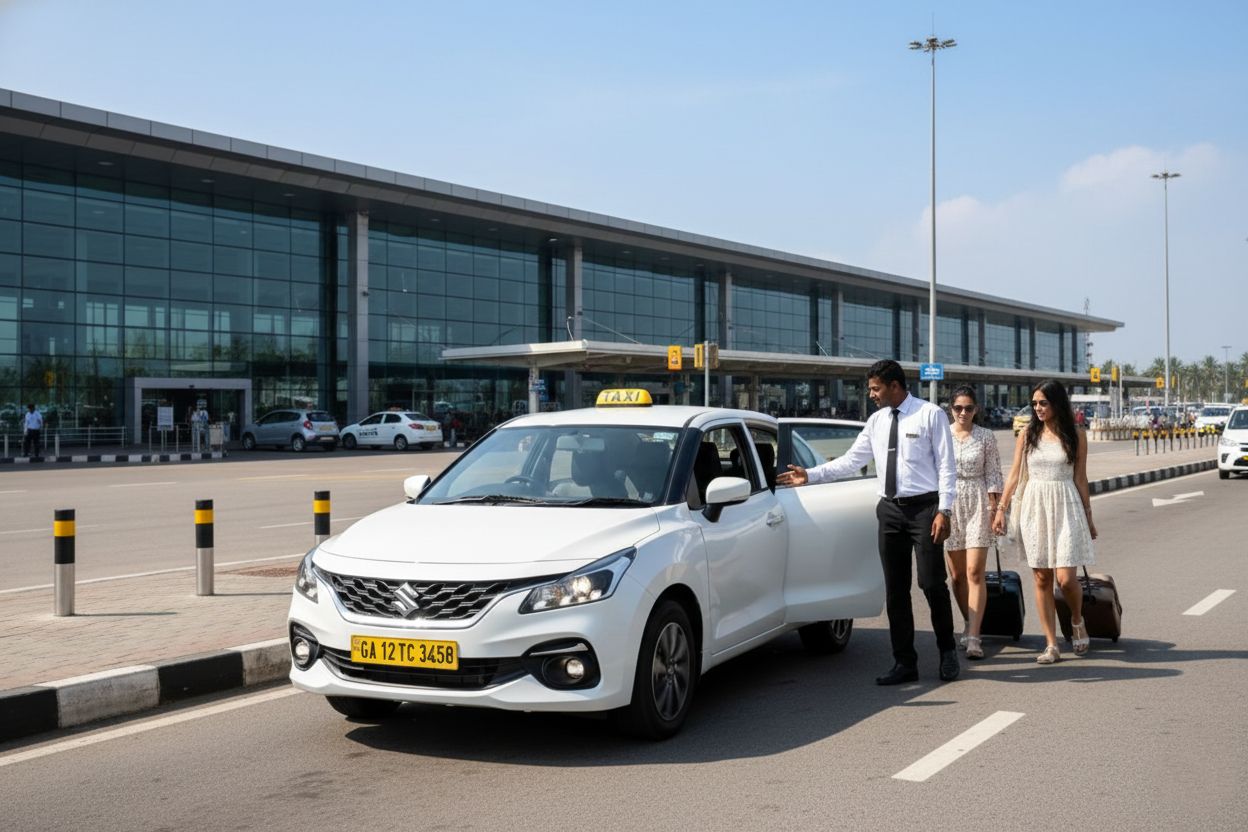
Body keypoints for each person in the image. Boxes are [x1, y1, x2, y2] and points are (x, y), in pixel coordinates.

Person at [778, 360, 960, 684]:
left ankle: (947, 652)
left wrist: (944, 510)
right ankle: (905, 662)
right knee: (896, 591)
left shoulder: (929, 415)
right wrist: (811, 475)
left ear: (893, 385)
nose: (871, 394)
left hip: (925, 510)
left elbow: (947, 467)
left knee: (931, 584)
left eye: (875, 388)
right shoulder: (876, 422)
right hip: (890, 510)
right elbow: (851, 461)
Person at [992, 380, 1098, 664]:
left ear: (1057, 404)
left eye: (1043, 403)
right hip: (1034, 507)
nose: (1037, 408)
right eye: (1034, 403)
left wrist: (1089, 517)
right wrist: (1001, 509)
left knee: (1065, 579)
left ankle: (1077, 619)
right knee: (1041, 578)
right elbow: (1014, 473)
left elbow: (1080, 477)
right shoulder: (1027, 434)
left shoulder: (1076, 435)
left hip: (1066, 505)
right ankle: (1051, 644)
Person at [944, 386, 1003, 660]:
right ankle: (967, 622)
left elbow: (993, 474)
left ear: (976, 409)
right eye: (958, 408)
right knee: (956, 576)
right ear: (951, 409)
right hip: (950, 504)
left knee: (974, 572)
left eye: (968, 408)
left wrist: (997, 509)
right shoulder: (942, 435)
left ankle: (975, 636)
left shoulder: (986, 437)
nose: (963, 413)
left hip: (978, 501)